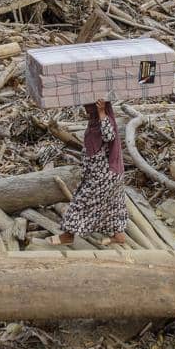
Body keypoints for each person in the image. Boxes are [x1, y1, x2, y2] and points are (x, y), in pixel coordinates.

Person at [56, 100, 128, 245]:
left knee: (81, 203)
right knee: (113, 204)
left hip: (104, 175)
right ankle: (119, 236)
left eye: (88, 105)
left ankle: (68, 236)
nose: (85, 107)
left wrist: (101, 112)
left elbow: (109, 136)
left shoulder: (105, 119)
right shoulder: (94, 122)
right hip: (102, 174)